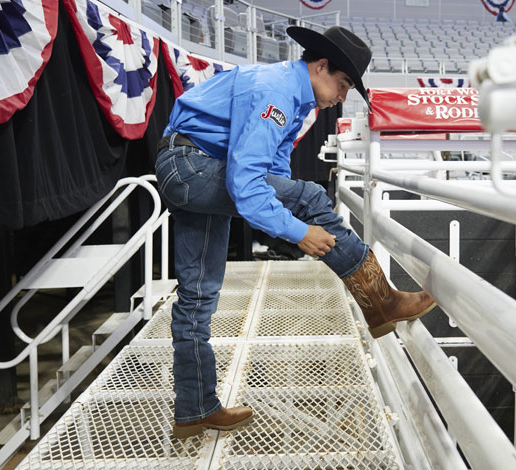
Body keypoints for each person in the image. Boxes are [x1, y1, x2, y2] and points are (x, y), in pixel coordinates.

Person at [155, 25, 435, 439]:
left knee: (197, 297)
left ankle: (194, 409)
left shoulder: (293, 99)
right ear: (320, 66)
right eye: (342, 84)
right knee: (308, 196)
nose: (343, 97)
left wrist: (290, 220)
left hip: (191, 165)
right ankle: (381, 302)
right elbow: (249, 185)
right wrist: (298, 230)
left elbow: (272, 173)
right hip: (192, 166)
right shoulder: (277, 91)